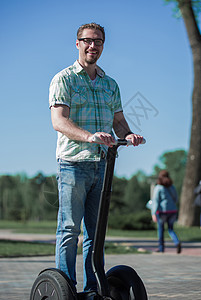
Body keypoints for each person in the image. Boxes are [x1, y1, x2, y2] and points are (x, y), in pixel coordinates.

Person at [49, 22, 143, 293]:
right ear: (77, 43)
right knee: (69, 231)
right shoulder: (64, 79)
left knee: (95, 234)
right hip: (73, 164)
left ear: (103, 45)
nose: (93, 46)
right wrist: (89, 136)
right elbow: (59, 121)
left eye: (99, 41)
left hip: (102, 165)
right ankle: (64, 289)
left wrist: (131, 135)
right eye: (88, 41)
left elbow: (119, 123)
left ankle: (93, 291)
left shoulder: (109, 84)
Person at [151, 170, 181, 253]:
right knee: (171, 229)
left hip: (162, 212)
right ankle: (177, 242)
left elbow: (156, 201)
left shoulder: (158, 187)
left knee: (161, 229)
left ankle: (161, 248)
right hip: (173, 211)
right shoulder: (172, 187)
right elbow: (176, 199)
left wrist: (153, 213)